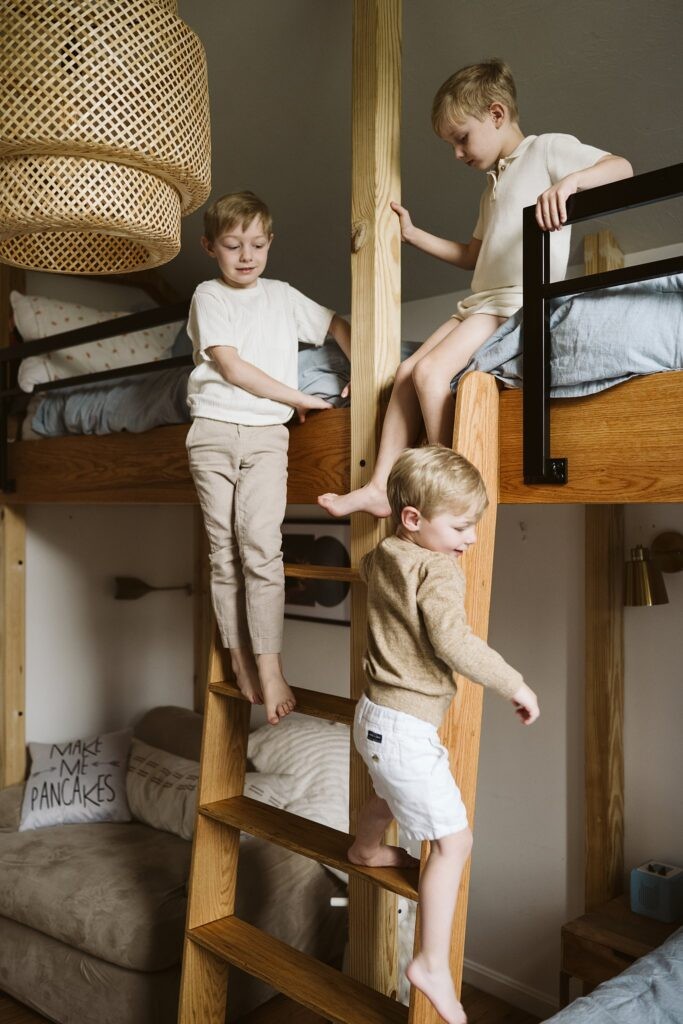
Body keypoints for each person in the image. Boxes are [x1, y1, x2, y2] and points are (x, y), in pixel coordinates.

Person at [318, 58, 632, 519]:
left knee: (429, 376)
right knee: (404, 375)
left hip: (513, 300)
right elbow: (471, 255)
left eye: (461, 139)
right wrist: (413, 233)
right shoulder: (493, 186)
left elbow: (621, 167)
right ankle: (381, 486)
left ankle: (451, 487)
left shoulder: (547, 150)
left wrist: (570, 184)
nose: (458, 154)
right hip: (478, 301)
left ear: (497, 114)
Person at [348, 444, 540, 1024]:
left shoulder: (384, 554)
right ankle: (430, 962)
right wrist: (515, 683)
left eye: (474, 525)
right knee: (454, 843)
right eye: (460, 526)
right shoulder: (437, 569)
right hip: (405, 727)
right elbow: (454, 644)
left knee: (387, 793)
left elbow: (368, 576)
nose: (471, 539)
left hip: (373, 717)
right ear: (413, 519)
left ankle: (363, 848)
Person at [186, 190, 351, 724]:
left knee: (261, 548)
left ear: (270, 242)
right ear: (211, 246)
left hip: (265, 437)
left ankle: (270, 663)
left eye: (257, 244)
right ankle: (238, 654)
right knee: (223, 552)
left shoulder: (282, 295)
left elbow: (335, 324)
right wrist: (299, 396)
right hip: (212, 431)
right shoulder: (207, 296)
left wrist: (359, 368)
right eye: (233, 245)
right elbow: (231, 367)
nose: (246, 255)